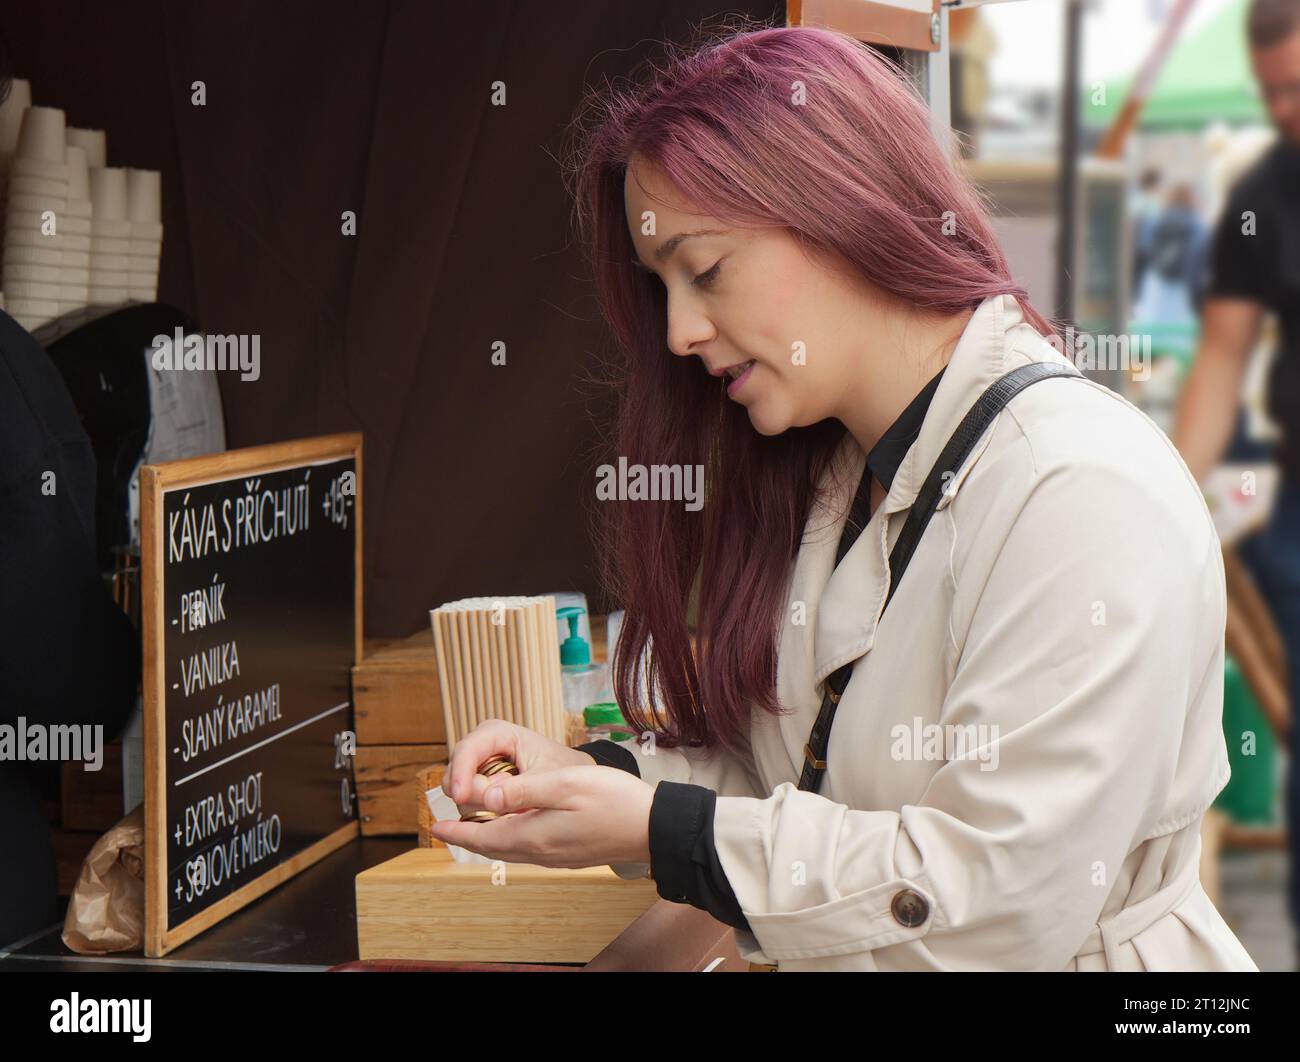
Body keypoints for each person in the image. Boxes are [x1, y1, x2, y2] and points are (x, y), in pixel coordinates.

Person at [428, 23, 1257, 971]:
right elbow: (809, 781)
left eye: (704, 271)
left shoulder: (1079, 489)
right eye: (662, 289)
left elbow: (999, 905)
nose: (681, 332)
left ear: (842, 208)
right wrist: (600, 782)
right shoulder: (840, 475)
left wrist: (670, 832)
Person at [1172, 0, 1300, 963]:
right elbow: (1220, 361)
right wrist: (1171, 495)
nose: (1286, 107)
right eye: (1273, 92)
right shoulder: (1263, 195)